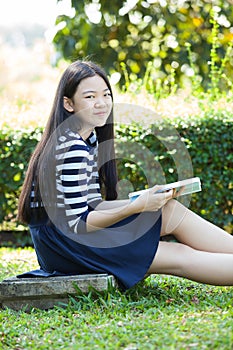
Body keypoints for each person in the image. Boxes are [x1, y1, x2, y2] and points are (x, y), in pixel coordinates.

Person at [17, 59, 233, 290]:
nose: (101, 103)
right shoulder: (72, 148)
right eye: (90, 97)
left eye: (106, 95)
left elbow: (93, 205)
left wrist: (144, 199)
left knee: (169, 209)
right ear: (69, 104)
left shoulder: (86, 139)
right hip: (68, 247)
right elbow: (80, 223)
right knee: (178, 256)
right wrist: (135, 207)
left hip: (66, 240)